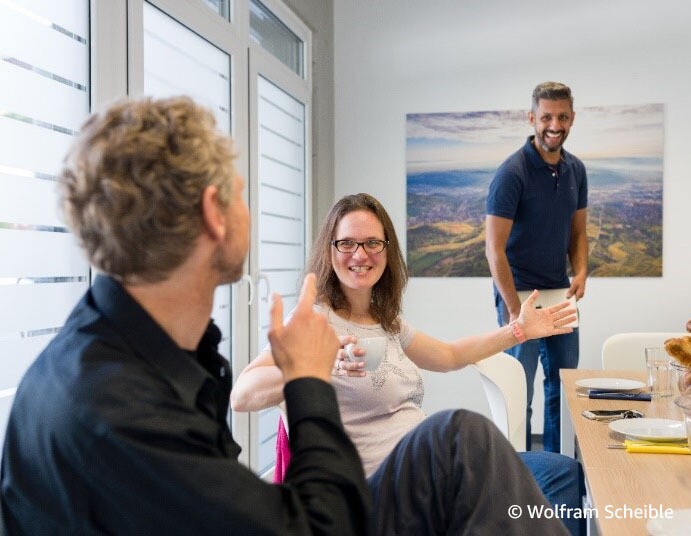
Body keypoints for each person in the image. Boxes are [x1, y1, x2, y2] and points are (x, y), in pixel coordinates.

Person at [0, 96, 371, 534]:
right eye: (239, 194)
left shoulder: (129, 350)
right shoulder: (125, 414)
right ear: (214, 213)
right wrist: (308, 378)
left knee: (448, 440)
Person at [232, 193, 583, 535]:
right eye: (347, 244)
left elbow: (448, 356)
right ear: (330, 250)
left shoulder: (385, 319)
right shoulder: (312, 319)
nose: (360, 254)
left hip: (424, 473)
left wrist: (518, 330)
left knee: (562, 472)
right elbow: (242, 395)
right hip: (374, 490)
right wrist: (313, 364)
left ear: (387, 250)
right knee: (458, 430)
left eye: (372, 243)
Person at [485, 81, 588, 453]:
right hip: (519, 296)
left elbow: (578, 232)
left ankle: (559, 470)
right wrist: (514, 310)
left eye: (562, 117)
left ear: (572, 118)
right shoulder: (512, 174)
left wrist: (581, 271)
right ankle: (520, 478)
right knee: (519, 394)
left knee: (563, 390)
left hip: (560, 295)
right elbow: (494, 250)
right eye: (547, 117)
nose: (554, 124)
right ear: (532, 118)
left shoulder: (576, 170)